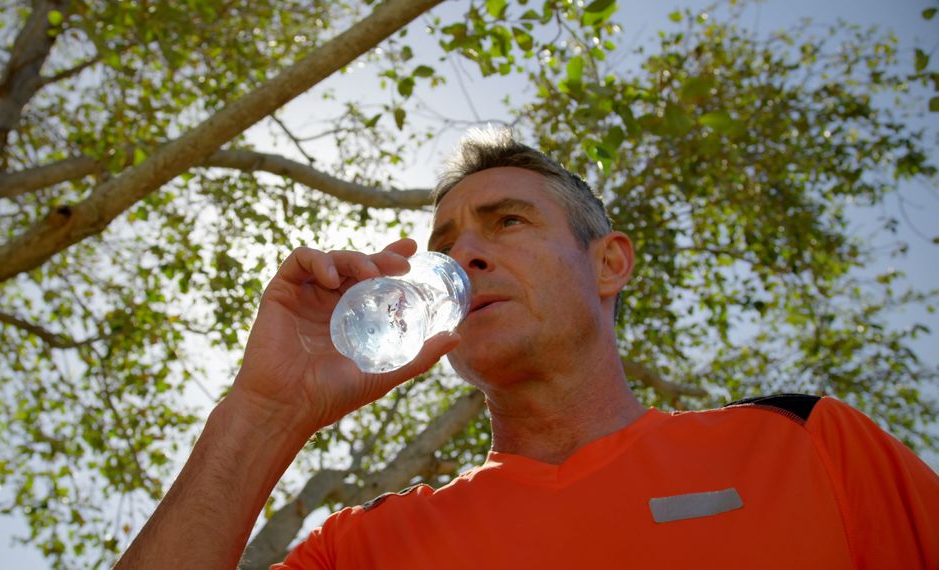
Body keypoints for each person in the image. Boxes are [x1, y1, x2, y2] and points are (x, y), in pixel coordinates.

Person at [116, 128, 939, 569]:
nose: (464, 255)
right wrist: (264, 412)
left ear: (609, 263)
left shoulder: (810, 446)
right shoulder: (362, 550)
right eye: (446, 242)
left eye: (507, 221)